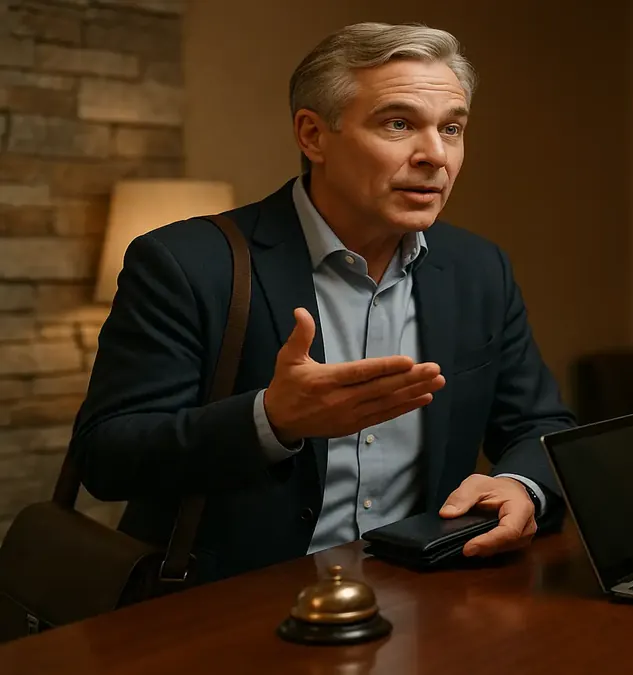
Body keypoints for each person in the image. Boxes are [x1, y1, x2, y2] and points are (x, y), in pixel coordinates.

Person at [70, 22, 575, 583]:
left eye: (452, 128)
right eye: (399, 123)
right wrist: (271, 420)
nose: (435, 155)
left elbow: (541, 426)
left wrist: (518, 486)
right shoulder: (185, 263)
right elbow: (108, 457)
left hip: (423, 595)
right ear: (313, 135)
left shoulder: (480, 269)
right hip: (235, 607)